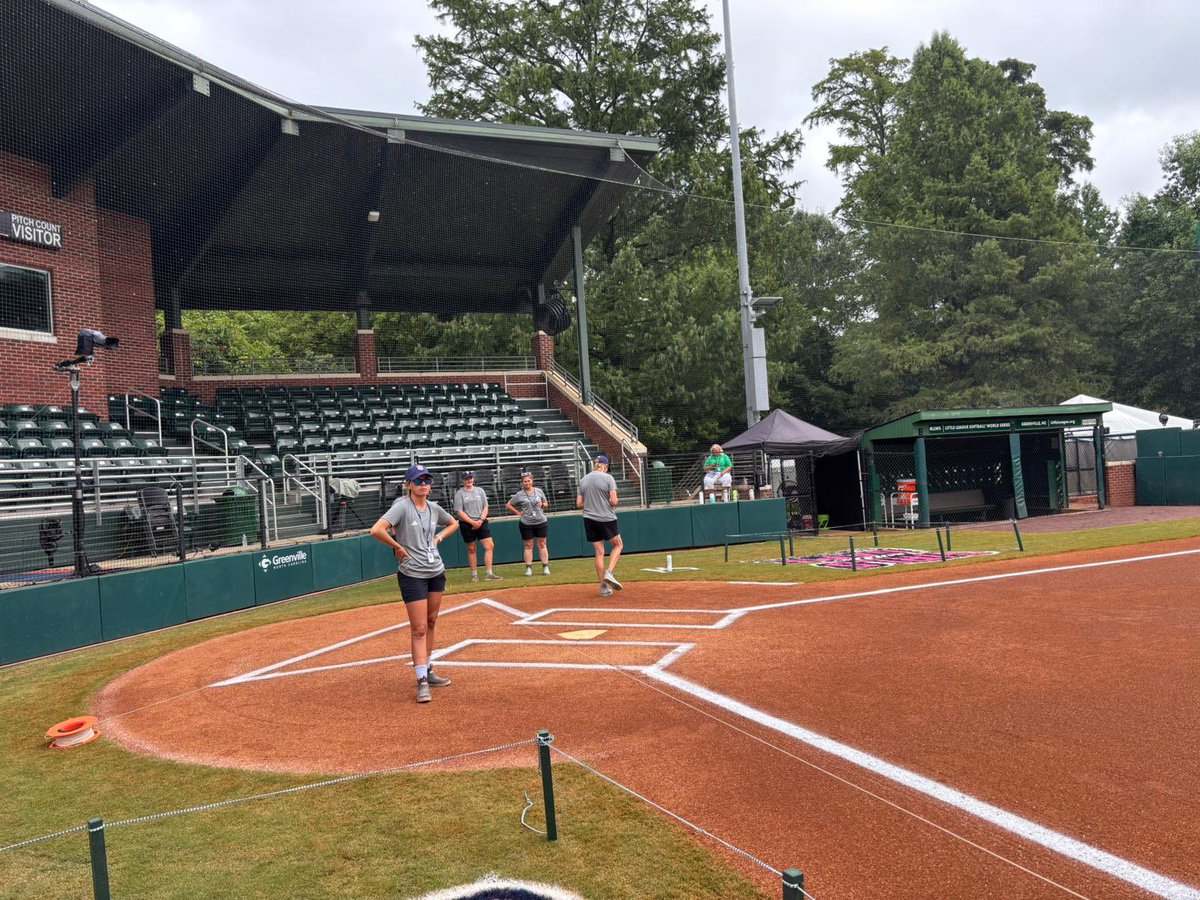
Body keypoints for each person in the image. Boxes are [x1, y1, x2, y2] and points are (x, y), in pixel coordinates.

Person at [370, 463, 460, 704]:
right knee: (419, 628)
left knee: (431, 622)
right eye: (418, 481)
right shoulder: (401, 507)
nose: (423, 485)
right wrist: (397, 546)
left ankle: (428, 669)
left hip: (435, 571)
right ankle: (421, 679)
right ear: (409, 484)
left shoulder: (433, 507)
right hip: (413, 574)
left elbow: (454, 523)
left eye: (426, 481)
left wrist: (439, 536)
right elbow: (376, 530)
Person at [577, 455, 622, 597]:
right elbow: (614, 501)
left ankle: (603, 587)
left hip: (589, 518)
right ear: (605, 466)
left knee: (599, 552)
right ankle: (610, 572)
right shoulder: (608, 478)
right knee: (618, 544)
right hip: (606, 517)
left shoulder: (583, 480)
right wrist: (607, 500)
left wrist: (591, 501)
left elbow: (579, 504)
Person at [454, 471, 500, 582]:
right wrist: (472, 522)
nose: (469, 480)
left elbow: (486, 507)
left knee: (489, 546)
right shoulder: (460, 493)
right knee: (472, 548)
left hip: (481, 521)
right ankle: (474, 575)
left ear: (473, 479)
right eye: (466, 479)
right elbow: (459, 511)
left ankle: (489, 573)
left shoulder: (480, 491)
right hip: (467, 523)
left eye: (470, 478)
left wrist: (480, 520)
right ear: (463, 480)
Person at [506, 470, 551, 576]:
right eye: (525, 481)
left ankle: (545, 566)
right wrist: (518, 512)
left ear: (532, 480)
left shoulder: (539, 491)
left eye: (529, 481)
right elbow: (508, 504)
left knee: (542, 544)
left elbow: (546, 503)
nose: (527, 483)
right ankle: (529, 568)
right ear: (522, 483)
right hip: (526, 523)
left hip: (540, 521)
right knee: (528, 545)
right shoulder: (519, 494)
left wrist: (543, 505)